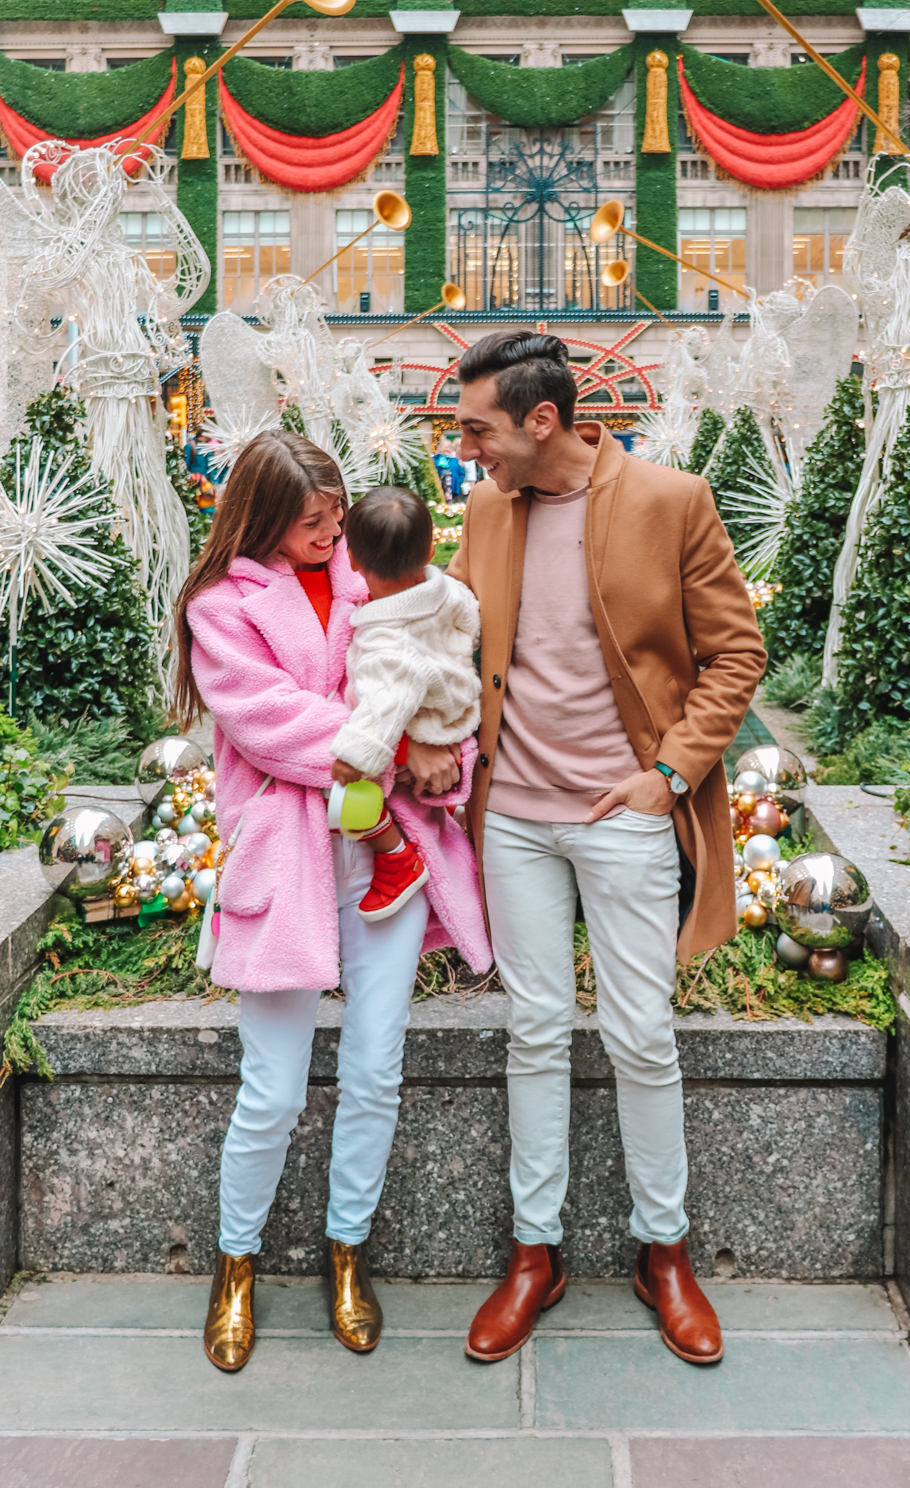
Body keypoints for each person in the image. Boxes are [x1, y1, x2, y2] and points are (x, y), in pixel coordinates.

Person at [449, 331, 766, 1368]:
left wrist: (665, 778)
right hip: (514, 821)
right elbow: (453, 641)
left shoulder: (672, 500)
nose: (467, 448)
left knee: (641, 1033)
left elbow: (737, 650)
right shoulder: (486, 508)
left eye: (478, 429)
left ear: (542, 421)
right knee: (534, 1031)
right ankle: (533, 1254)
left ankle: (662, 1252)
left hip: (624, 813)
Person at [174, 431, 491, 1374]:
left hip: (385, 863)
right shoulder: (222, 606)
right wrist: (397, 751)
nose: (329, 534)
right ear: (265, 517)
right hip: (288, 860)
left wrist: (443, 750)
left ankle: (346, 1250)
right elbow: (268, 724)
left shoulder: (378, 576)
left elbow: (441, 684)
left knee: (376, 1070)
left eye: (336, 516)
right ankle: (237, 1265)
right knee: (269, 1089)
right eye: (310, 522)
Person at [332, 483, 482, 922]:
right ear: (431, 545)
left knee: (347, 796)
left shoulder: (386, 641)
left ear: (354, 561)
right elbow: (470, 627)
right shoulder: (450, 593)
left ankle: (394, 857)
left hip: (417, 729)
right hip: (451, 714)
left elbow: (385, 707)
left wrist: (354, 756)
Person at [433, 433, 466, 503]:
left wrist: (458, 482)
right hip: (439, 489)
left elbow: (462, 473)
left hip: (453, 489)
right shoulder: (435, 459)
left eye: (449, 447)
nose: (447, 449)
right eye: (445, 447)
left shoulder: (454, 460)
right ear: (440, 448)